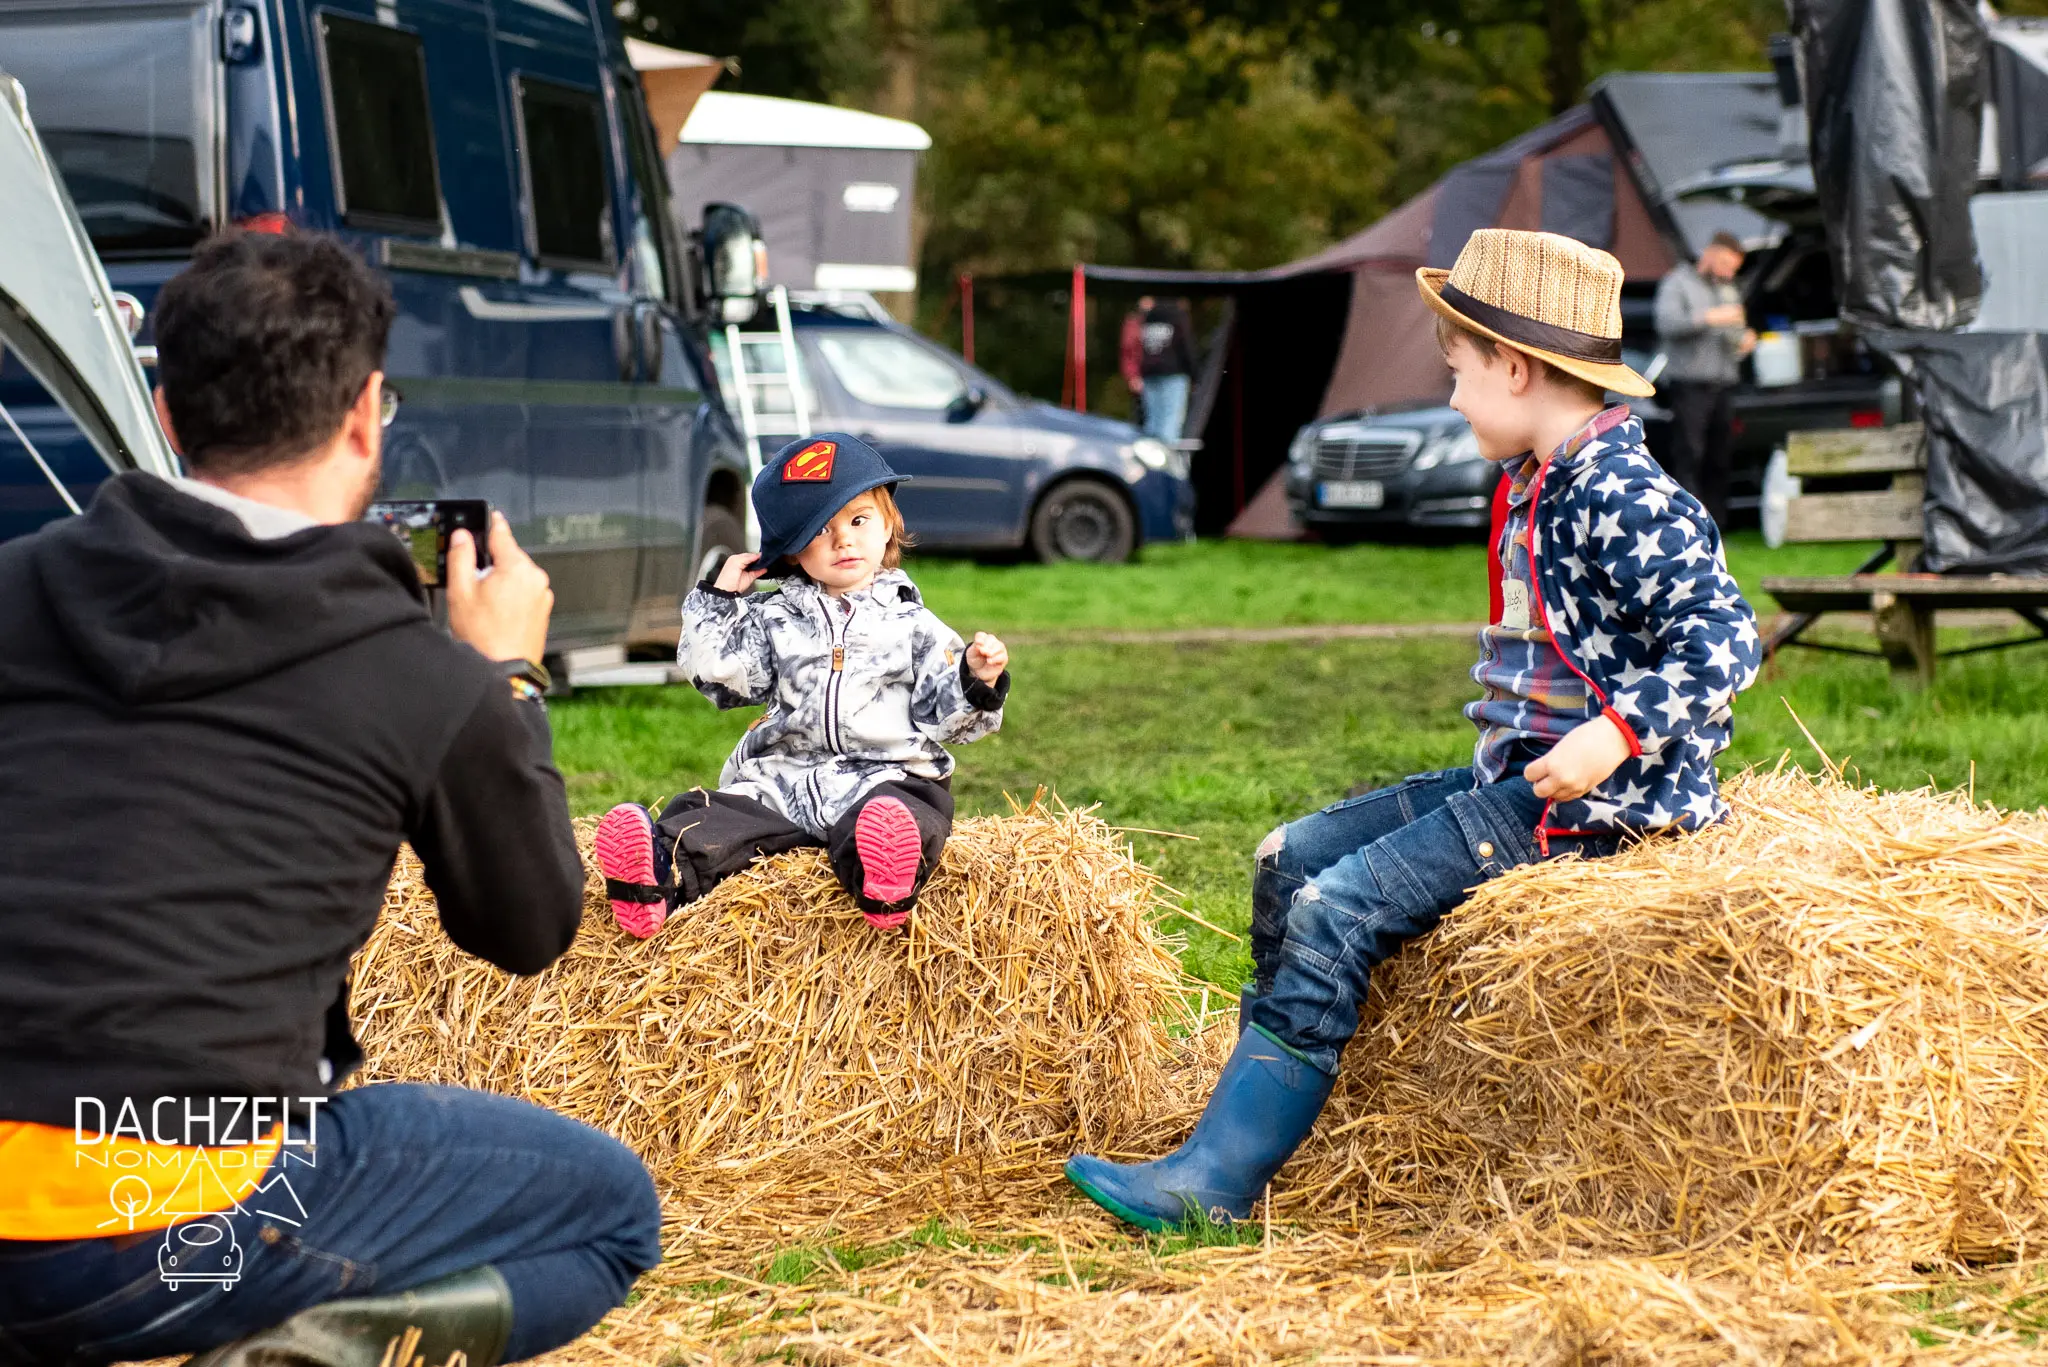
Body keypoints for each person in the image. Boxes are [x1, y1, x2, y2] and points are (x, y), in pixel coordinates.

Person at [0, 232, 661, 1367]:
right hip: (164, 1239)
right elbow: (530, 925)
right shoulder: (421, 673)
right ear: (365, 414)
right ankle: (296, 1350)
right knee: (610, 1211)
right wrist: (504, 681)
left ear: (165, 411)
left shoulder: (15, 588)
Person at [1062, 229, 1763, 1232]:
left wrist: (1612, 734)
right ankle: (1268, 1114)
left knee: (1330, 911)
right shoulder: (1539, 473)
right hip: (1524, 783)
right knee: (1284, 859)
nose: (1449, 396)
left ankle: (1212, 1184)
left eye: (1458, 372)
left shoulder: (1619, 490)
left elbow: (1725, 635)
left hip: (1596, 806)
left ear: (1514, 368)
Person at [596, 433, 1010, 939]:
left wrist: (976, 679)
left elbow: (947, 720)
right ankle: (653, 878)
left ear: (888, 528)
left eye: (859, 521)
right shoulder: (773, 618)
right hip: (784, 780)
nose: (844, 541)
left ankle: (885, 883)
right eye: (820, 530)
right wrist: (718, 602)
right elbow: (718, 677)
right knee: (707, 816)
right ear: (789, 551)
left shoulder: (915, 626)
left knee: (902, 818)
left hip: (886, 777)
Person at [1654, 230, 1757, 526]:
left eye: (1734, 268)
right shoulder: (1678, 283)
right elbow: (1667, 323)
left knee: (1719, 458)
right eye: (1726, 263)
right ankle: (1688, 523)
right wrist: (1710, 318)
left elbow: (1733, 332)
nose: (1729, 271)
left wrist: (1744, 338)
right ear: (1710, 254)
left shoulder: (1728, 290)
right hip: (1690, 385)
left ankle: (1717, 525)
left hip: (1723, 383)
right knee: (1690, 455)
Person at [1134, 296, 1197, 444]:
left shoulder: (1149, 317)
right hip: (1173, 373)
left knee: (1152, 421)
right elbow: (1186, 347)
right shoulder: (1178, 316)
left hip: (1149, 373)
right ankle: (1165, 464)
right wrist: (1195, 375)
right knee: (1171, 421)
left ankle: (1150, 461)